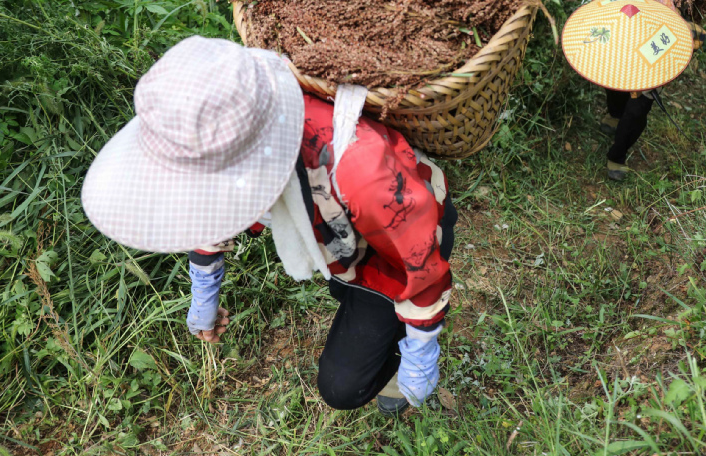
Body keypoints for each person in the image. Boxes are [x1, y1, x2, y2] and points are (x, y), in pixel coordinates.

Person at [81, 36, 456, 416]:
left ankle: (399, 336)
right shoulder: (231, 120)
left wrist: (420, 352)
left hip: (396, 239)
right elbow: (209, 202)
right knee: (348, 296)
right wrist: (204, 292)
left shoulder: (360, 172)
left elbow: (418, 261)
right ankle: (373, 314)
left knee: (343, 386)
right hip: (341, 239)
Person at [598, 0, 705, 182]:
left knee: (637, 109)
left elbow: (690, 33)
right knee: (613, 82)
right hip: (622, 38)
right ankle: (614, 114)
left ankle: (617, 156)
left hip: (656, 47)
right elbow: (605, 4)